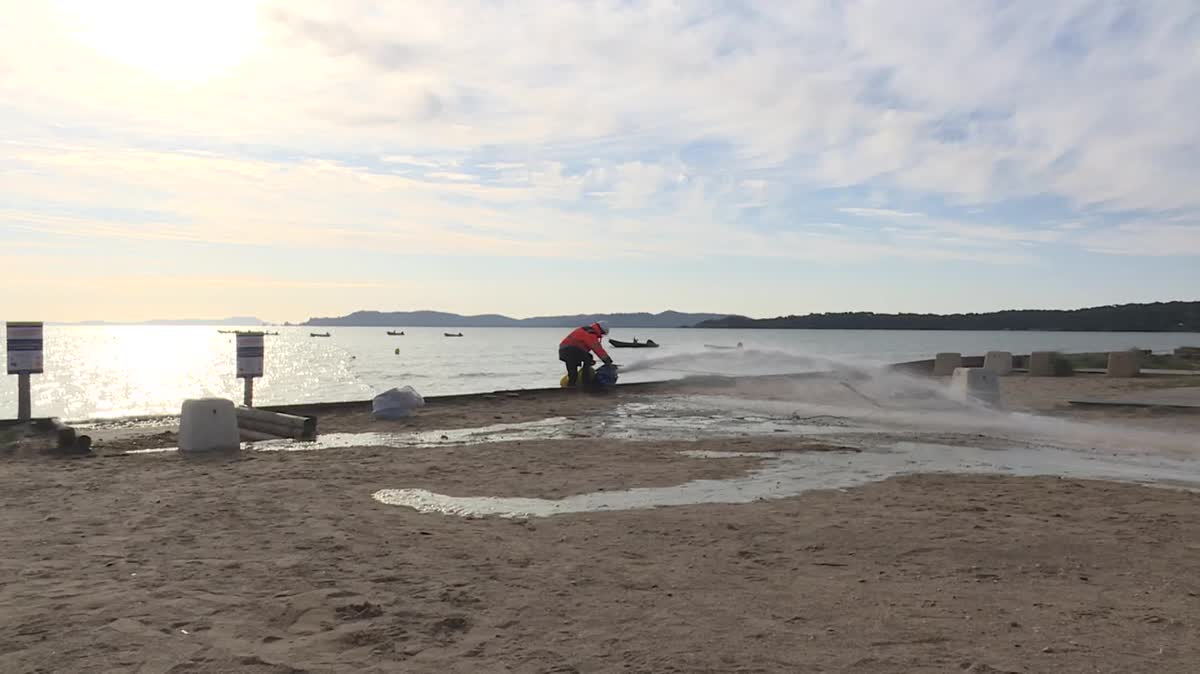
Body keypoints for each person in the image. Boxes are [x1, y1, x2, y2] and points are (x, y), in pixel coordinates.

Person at [559, 321, 613, 388]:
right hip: (571, 350)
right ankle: (586, 382)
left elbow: (582, 348)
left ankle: (571, 386)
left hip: (563, 351)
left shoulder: (585, 329)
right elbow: (598, 349)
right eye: (602, 334)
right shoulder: (590, 334)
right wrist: (608, 361)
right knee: (588, 357)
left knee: (573, 372)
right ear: (601, 330)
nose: (601, 336)